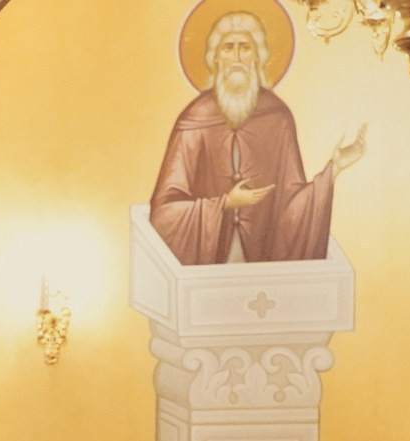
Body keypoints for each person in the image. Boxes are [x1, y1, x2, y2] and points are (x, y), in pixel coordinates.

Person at [148, 8, 365, 266]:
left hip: (264, 262)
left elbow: (290, 202)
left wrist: (334, 168)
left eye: (245, 48)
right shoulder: (194, 119)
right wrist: (224, 204)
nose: (237, 56)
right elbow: (164, 211)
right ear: (215, 58)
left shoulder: (277, 116)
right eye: (228, 48)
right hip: (209, 264)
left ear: (257, 57)